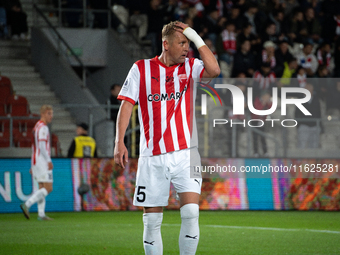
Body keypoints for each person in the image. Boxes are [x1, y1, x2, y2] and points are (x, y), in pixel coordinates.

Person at [114, 21, 220, 255]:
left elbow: (214, 70)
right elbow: (126, 105)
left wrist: (195, 35)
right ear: (166, 44)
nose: (186, 48)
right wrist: (118, 141)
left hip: (186, 153)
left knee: (191, 213)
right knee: (152, 222)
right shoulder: (141, 69)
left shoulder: (191, 67)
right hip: (152, 156)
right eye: (182, 43)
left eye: (188, 43)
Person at [20, 105, 54, 221]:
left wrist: (32, 165)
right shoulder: (43, 128)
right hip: (42, 160)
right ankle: (27, 204)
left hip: (35, 160)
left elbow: (34, 147)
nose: (51, 116)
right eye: (49, 113)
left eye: (52, 113)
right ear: (43, 114)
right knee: (48, 188)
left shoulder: (36, 127)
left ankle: (41, 214)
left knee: (41, 187)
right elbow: (41, 146)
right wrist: (48, 161)